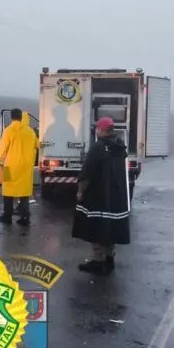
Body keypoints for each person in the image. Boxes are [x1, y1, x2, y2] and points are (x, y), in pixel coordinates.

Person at [72, 116, 130, 274]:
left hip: (98, 195)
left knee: (96, 226)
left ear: (102, 130)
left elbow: (87, 172)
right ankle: (110, 259)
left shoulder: (98, 147)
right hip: (115, 196)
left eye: (97, 128)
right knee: (110, 227)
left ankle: (98, 261)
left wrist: (80, 190)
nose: (96, 131)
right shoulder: (120, 147)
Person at [0, 109, 39, 226]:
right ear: (21, 117)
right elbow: (37, 145)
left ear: (12, 117)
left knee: (8, 191)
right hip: (26, 166)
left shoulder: (9, 130)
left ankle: (7, 216)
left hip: (11, 165)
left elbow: (2, 148)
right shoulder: (30, 131)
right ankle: (25, 217)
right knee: (24, 192)